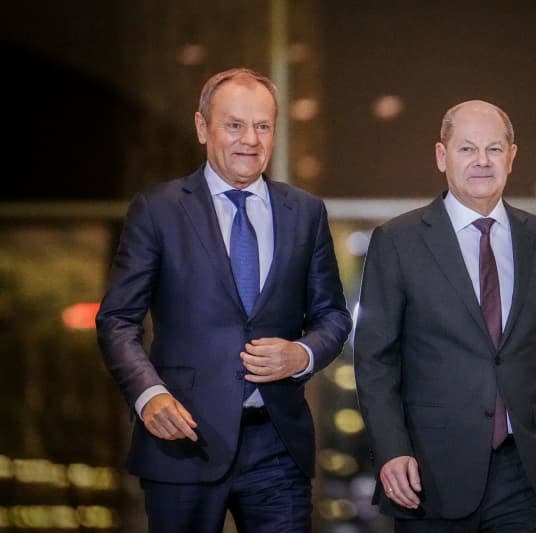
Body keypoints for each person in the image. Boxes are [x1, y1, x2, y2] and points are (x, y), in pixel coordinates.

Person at [96, 67, 352, 533]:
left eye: (263, 126)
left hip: (278, 444)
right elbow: (116, 320)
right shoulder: (158, 210)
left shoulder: (306, 212)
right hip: (182, 439)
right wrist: (149, 395)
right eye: (234, 125)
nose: (250, 139)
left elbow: (332, 313)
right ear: (202, 127)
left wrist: (303, 353)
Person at [354, 100, 536, 532]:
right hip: (430, 469)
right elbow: (375, 359)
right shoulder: (397, 241)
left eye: (494, 149)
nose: (481, 162)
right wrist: (391, 449)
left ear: (512, 157)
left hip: (525, 469)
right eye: (467, 149)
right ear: (441, 156)